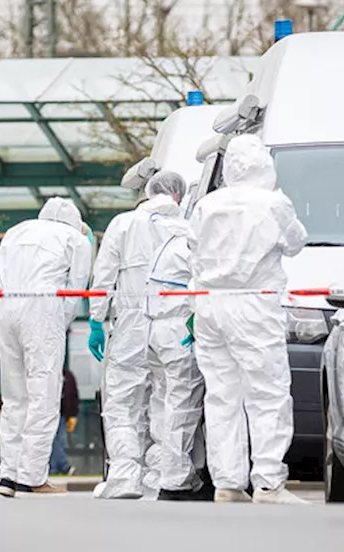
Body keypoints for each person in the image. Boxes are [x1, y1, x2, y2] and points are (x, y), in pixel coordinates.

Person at [187, 134, 308, 505]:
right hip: (254, 305)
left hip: (209, 305)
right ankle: (269, 482)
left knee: (222, 395)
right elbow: (297, 242)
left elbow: (192, 249)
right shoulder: (274, 203)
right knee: (267, 394)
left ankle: (228, 483)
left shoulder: (207, 204)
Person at [89, 170, 194, 500]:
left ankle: (124, 476)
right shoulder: (187, 228)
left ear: (148, 192)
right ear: (178, 195)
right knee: (169, 400)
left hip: (131, 326)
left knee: (122, 403)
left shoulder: (123, 224)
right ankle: (161, 475)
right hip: (173, 326)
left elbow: (103, 275)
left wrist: (96, 320)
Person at [0, 196, 91, 497]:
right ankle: (32, 477)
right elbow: (75, 288)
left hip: (6, 307)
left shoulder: (17, 231)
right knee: (43, 395)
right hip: (43, 310)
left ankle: (8, 475)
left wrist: (0, 320)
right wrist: (60, 323)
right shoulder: (76, 239)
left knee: (14, 397)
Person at [134, 171, 209, 501]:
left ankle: (164, 472)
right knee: (183, 405)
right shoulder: (186, 243)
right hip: (177, 334)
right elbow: (200, 288)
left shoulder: (158, 243)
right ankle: (176, 479)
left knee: (162, 406)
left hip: (153, 333)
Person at [48, 367, 79, 476]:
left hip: (62, 413)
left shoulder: (68, 376)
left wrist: (73, 413)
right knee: (53, 440)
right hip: (49, 412)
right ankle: (62, 466)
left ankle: (54, 467)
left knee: (56, 440)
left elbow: (73, 395)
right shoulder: (48, 374)